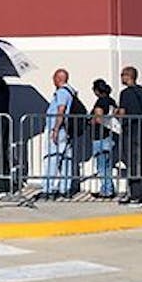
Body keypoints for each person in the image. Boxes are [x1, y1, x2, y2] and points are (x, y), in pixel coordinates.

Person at [117, 66, 142, 206]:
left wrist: (116, 114)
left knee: (132, 161)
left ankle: (135, 195)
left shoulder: (125, 93)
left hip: (130, 129)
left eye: (122, 75)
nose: (121, 77)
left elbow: (122, 113)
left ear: (128, 76)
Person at [42, 69, 80, 200]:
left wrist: (55, 129)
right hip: (66, 130)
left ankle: (49, 189)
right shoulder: (71, 92)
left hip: (59, 129)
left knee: (52, 158)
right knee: (65, 160)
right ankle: (65, 188)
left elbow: (61, 110)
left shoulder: (62, 93)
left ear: (58, 79)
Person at [88, 79, 119, 199]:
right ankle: (108, 189)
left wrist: (91, 120)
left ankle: (106, 190)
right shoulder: (111, 101)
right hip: (110, 136)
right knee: (107, 165)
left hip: (100, 137)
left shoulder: (100, 102)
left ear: (97, 90)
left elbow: (98, 118)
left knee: (101, 166)